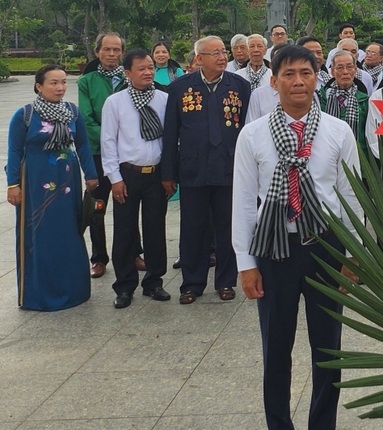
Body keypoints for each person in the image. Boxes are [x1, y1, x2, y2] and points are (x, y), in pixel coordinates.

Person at [233, 45, 362, 430]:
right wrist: (245, 264)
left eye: (305, 73)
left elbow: (350, 195)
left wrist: (353, 254)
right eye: (288, 74)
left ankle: (322, 424)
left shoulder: (337, 131)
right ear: (274, 82)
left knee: (328, 349)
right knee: (276, 350)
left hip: (325, 246)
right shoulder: (252, 136)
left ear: (316, 78)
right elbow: (241, 202)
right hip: (274, 249)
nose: (298, 81)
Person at [162, 36, 252, 304]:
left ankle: (226, 281)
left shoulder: (239, 86)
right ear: (199, 59)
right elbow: (170, 133)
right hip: (193, 169)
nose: (222, 57)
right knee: (193, 228)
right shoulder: (179, 88)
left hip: (229, 167)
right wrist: (168, 173)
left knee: (227, 228)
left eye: (223, 52)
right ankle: (192, 283)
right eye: (215, 53)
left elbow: (247, 131)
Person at [7, 65, 99, 310]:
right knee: (41, 233)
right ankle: (40, 293)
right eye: (54, 83)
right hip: (35, 181)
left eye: (63, 83)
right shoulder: (25, 115)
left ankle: (74, 290)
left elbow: (82, 146)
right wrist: (12, 185)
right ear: (39, 86)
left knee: (69, 231)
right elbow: (15, 152)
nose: (60, 88)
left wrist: (91, 175)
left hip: (67, 181)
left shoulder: (72, 112)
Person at [101, 51, 171, 308]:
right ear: (127, 73)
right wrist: (115, 179)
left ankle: (154, 281)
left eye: (150, 68)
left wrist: (168, 175)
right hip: (127, 175)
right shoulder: (115, 102)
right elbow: (108, 141)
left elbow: (171, 139)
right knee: (125, 231)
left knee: (155, 229)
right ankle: (124, 286)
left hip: (156, 175)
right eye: (141, 69)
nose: (148, 73)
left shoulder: (164, 99)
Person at [78, 32, 127, 278]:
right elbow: (86, 120)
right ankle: (99, 257)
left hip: (125, 156)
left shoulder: (128, 79)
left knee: (127, 203)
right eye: (107, 50)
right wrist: (113, 139)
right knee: (97, 207)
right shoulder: (86, 81)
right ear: (97, 52)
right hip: (99, 154)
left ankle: (133, 252)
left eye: (116, 50)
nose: (111, 55)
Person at [320, 50, 369, 154]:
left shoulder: (364, 100)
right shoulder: (321, 97)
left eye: (349, 67)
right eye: (340, 67)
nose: (345, 72)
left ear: (355, 69)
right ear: (332, 71)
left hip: (358, 156)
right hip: (326, 154)